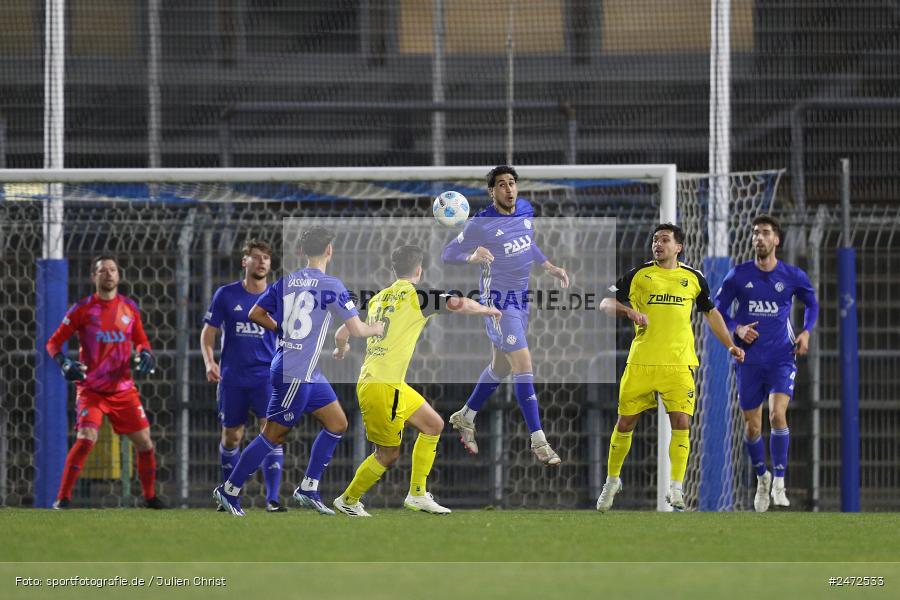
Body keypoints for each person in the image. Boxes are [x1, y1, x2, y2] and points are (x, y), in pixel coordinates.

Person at [213, 227, 383, 517]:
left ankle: (308, 488)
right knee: (273, 435)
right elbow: (357, 329)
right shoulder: (332, 284)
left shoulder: (286, 281)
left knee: (337, 423)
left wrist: (281, 329)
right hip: (296, 370)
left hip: (303, 368)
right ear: (330, 249)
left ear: (303, 252)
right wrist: (376, 329)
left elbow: (254, 313)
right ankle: (229, 490)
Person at [332, 245, 501, 517]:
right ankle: (348, 500)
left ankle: (418, 494)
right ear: (419, 270)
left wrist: (341, 349)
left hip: (388, 382)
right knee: (387, 455)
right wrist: (487, 310)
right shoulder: (418, 295)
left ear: (394, 269)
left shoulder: (378, 299)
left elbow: (343, 331)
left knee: (433, 424)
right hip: (382, 385)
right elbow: (459, 303)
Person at [595, 224, 745, 512]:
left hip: (678, 364)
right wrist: (628, 311)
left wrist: (730, 345)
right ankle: (612, 481)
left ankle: (676, 488)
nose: (658, 244)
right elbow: (604, 302)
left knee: (682, 422)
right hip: (642, 362)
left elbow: (711, 312)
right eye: (655, 240)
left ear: (679, 247)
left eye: (665, 240)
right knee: (625, 423)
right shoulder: (638, 275)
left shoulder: (694, 278)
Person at [441, 165, 569, 465]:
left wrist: (548, 266)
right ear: (492, 192)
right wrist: (472, 256)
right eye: (502, 184)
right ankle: (538, 439)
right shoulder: (480, 223)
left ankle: (466, 415)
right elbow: (447, 254)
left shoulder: (525, 209)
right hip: (498, 305)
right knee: (523, 363)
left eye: (512, 183)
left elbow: (527, 243)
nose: (509, 189)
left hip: (521, 301)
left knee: (500, 367)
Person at [714, 214, 818, 511]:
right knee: (752, 426)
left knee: (777, 415)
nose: (759, 237)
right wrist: (737, 328)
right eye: (755, 233)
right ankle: (762, 477)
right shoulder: (737, 275)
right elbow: (717, 310)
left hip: (782, 357)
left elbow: (812, 303)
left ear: (776, 240)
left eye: (765, 233)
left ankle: (780, 482)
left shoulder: (792, 276)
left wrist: (806, 332)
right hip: (748, 359)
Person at [46, 255, 164, 509]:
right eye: (103, 270)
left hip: (123, 389)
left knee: (145, 443)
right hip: (92, 390)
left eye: (113, 270)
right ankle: (62, 498)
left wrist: (145, 353)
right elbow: (53, 342)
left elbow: (142, 340)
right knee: (86, 437)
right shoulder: (82, 309)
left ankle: (150, 497)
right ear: (94, 277)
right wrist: (64, 363)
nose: (109, 274)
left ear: (119, 276)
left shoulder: (129, 308)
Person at [201, 240, 289, 512]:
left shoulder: (277, 298)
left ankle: (272, 499)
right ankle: (229, 495)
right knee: (232, 437)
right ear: (245, 262)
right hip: (233, 378)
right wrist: (209, 362)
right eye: (256, 257)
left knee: (272, 432)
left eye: (266, 258)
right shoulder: (226, 295)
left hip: (266, 376)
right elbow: (208, 332)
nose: (262, 262)